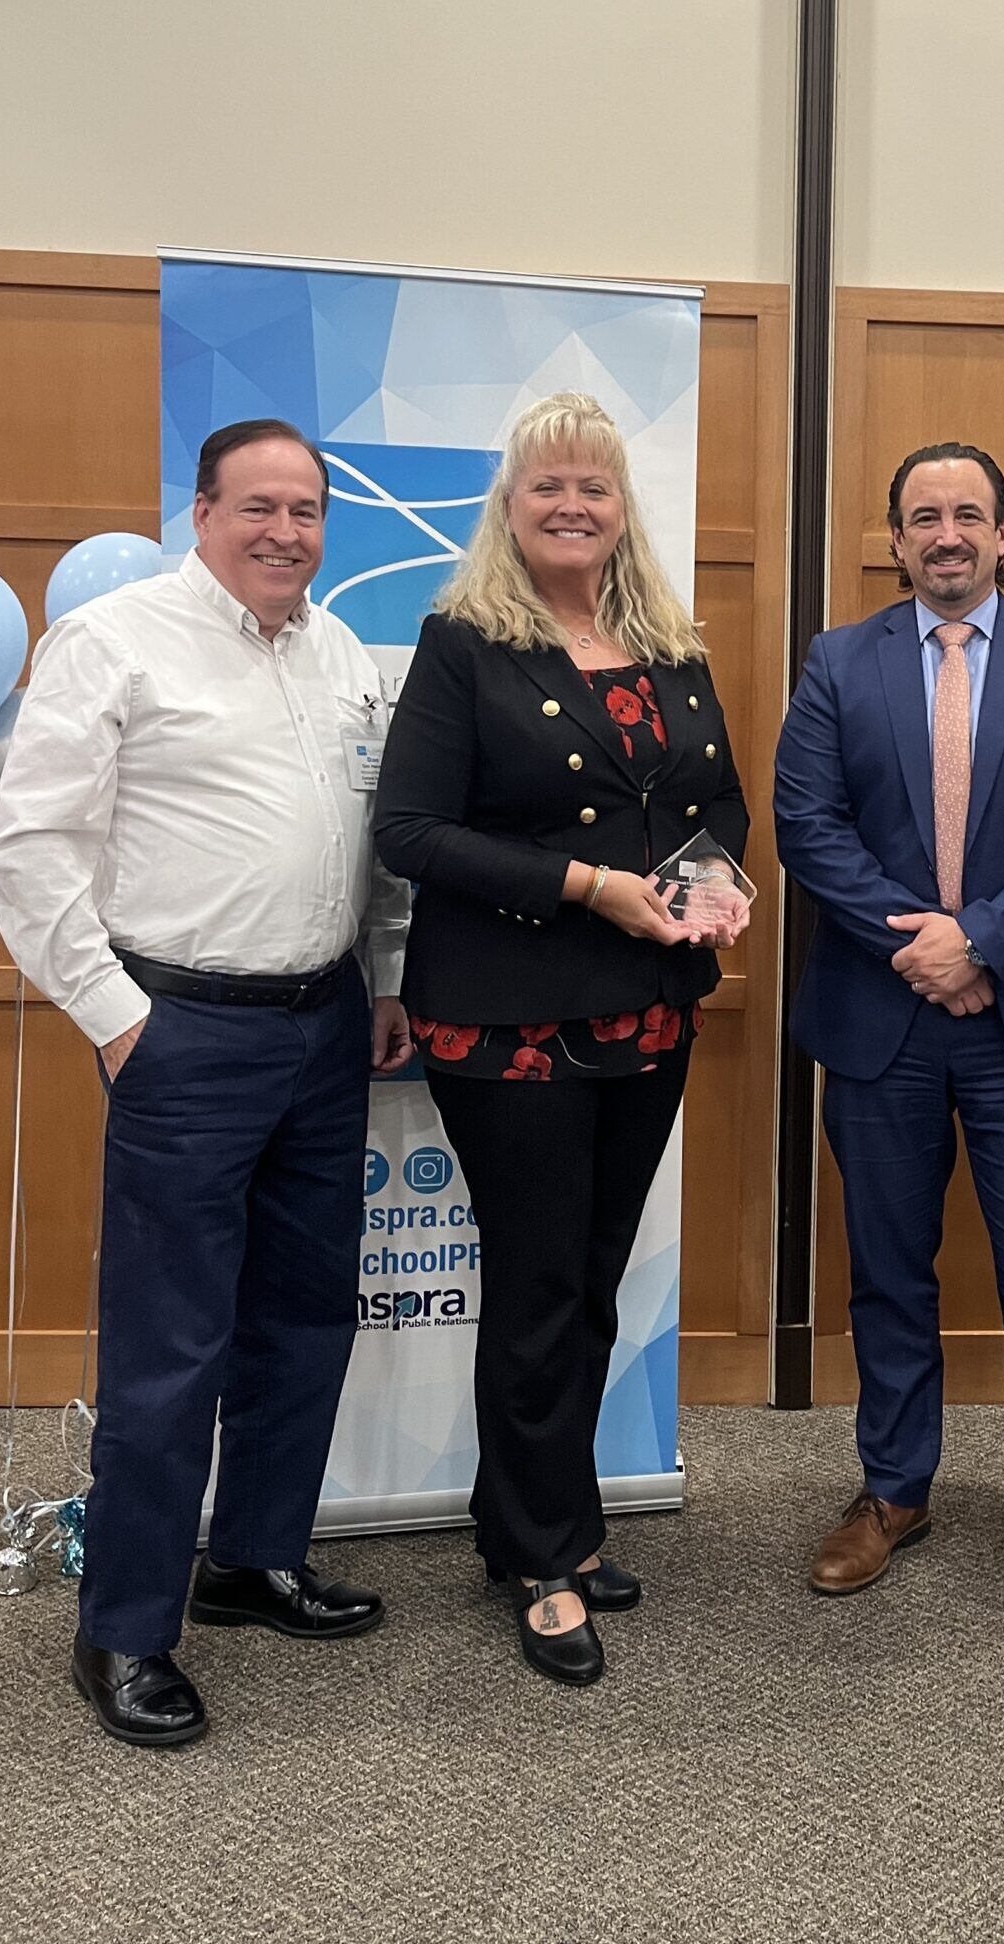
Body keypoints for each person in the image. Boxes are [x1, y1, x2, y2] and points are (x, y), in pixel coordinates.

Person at [0, 419, 412, 1751]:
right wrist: (118, 1021)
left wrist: (384, 977)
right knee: (172, 1347)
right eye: (261, 506)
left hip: (327, 1023)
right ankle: (121, 1626)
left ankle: (253, 1557)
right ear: (201, 509)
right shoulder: (113, 645)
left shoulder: (339, 652)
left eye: (308, 509)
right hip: (185, 1035)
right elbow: (31, 847)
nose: (287, 530)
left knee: (304, 1315)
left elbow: (373, 837)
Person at [374, 392, 746, 1686]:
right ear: (512, 507)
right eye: (549, 487)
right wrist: (591, 884)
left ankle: (541, 1516)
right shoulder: (464, 642)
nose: (574, 506)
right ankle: (542, 1558)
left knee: (588, 1276)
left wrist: (709, 898)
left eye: (594, 486)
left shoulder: (667, 641)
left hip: (648, 1010)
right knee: (536, 1283)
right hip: (507, 1016)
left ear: (619, 506)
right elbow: (410, 832)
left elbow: (720, 803)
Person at [773, 442, 1004, 1648]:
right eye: (923, 516)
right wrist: (922, 951)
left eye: (968, 514)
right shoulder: (837, 661)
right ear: (894, 539)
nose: (947, 534)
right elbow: (805, 825)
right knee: (888, 1274)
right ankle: (893, 1490)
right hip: (882, 1022)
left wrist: (979, 942)